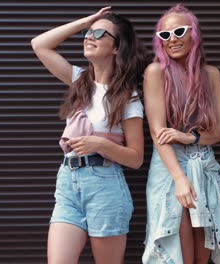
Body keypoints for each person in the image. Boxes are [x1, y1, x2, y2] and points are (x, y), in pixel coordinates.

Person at [31, 6, 150, 264]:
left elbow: (136, 158)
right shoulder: (79, 80)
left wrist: (99, 143)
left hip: (105, 185)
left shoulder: (127, 97)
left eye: (99, 33)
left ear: (117, 48)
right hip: (68, 183)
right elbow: (39, 44)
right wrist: (87, 21)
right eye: (88, 33)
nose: (89, 36)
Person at [142, 4, 220, 264]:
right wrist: (179, 179)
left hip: (205, 166)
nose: (172, 39)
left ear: (193, 33)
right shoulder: (156, 73)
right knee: (177, 252)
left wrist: (192, 137)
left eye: (178, 31)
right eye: (165, 35)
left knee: (202, 256)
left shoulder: (211, 75)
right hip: (170, 168)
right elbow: (158, 132)